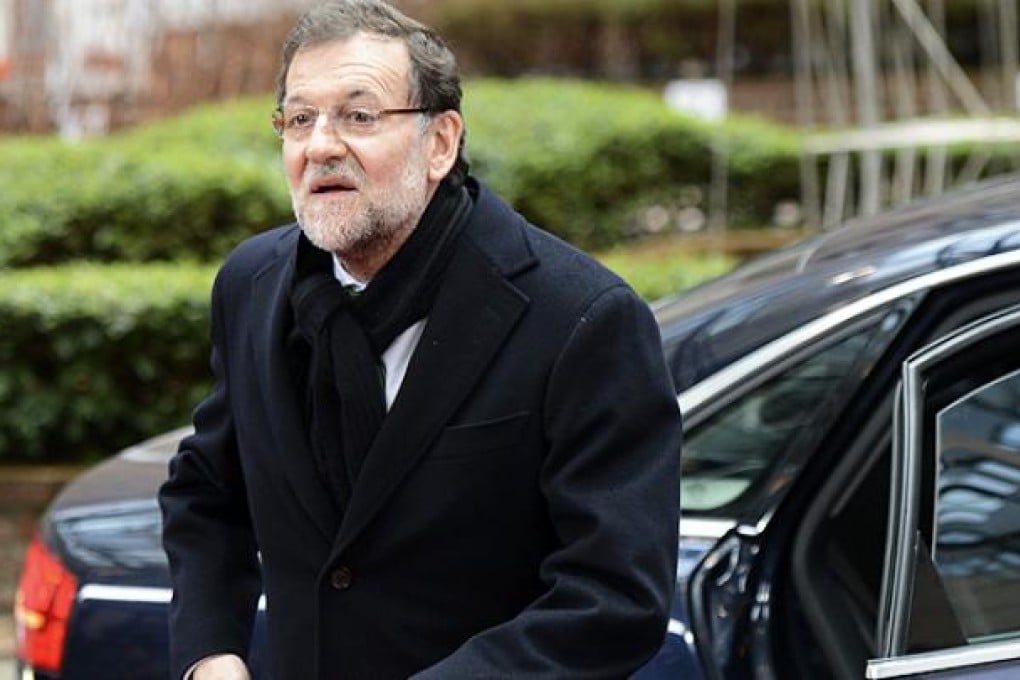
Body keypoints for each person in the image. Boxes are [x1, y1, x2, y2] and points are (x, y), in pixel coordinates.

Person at [158, 1, 682, 678]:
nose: (320, 145)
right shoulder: (250, 286)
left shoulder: (584, 319)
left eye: (359, 115)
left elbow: (614, 599)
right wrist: (210, 653)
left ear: (440, 143)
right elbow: (207, 492)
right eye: (298, 119)